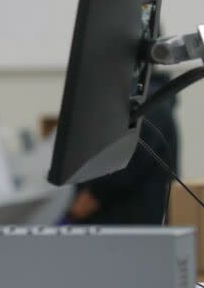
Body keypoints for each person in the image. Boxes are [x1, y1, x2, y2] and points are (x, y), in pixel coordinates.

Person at [64, 72, 178, 224]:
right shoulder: (145, 98)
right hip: (129, 221)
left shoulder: (147, 105)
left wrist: (85, 203)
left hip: (129, 225)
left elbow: (126, 164)